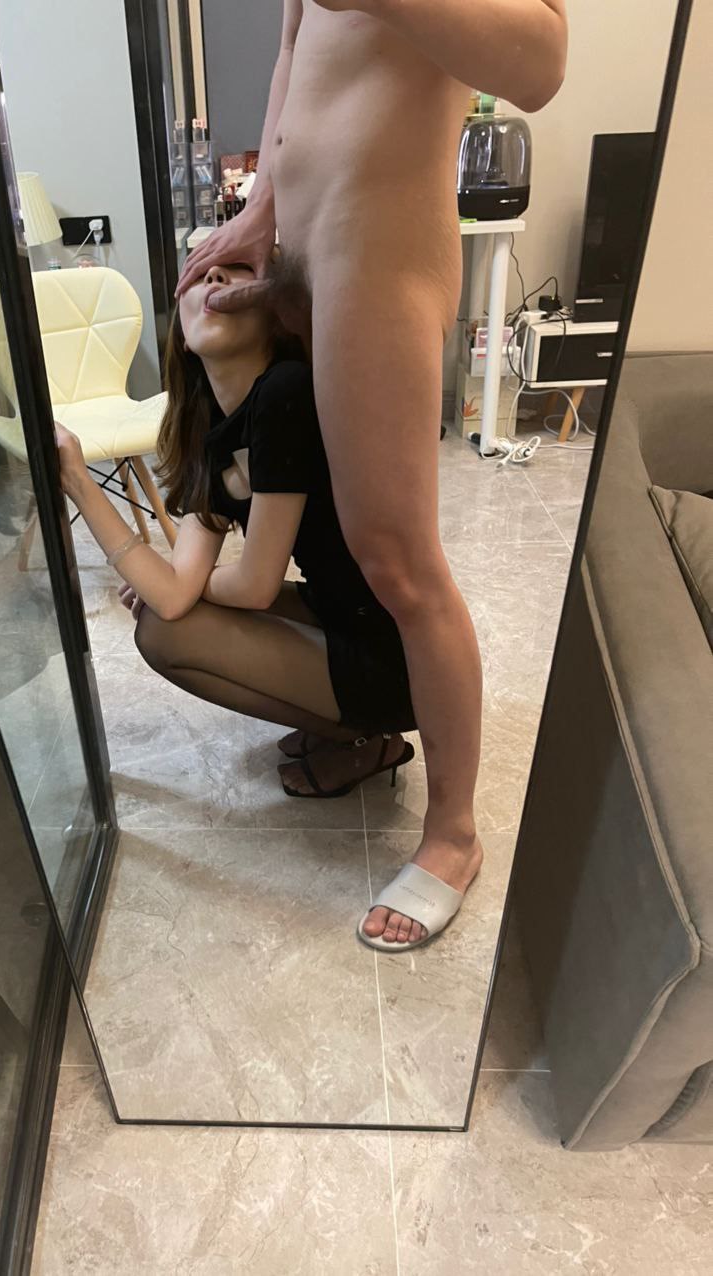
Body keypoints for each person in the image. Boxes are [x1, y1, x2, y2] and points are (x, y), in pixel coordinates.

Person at [176, 1, 568, 950]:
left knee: (397, 559)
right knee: (336, 539)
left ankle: (455, 834)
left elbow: (543, 63)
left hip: (376, 242)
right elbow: (295, 47)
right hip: (307, 241)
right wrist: (263, 208)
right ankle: (363, 731)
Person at [56, 261, 450, 950]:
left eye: (237, 270)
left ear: (272, 311)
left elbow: (253, 584)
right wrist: (145, 555)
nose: (215, 277)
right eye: (199, 273)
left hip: (396, 656)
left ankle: (362, 737)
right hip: (346, 616)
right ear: (178, 324)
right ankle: (358, 735)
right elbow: (177, 587)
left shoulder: (286, 391)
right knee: (164, 618)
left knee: (168, 633)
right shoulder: (211, 424)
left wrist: (173, 577)